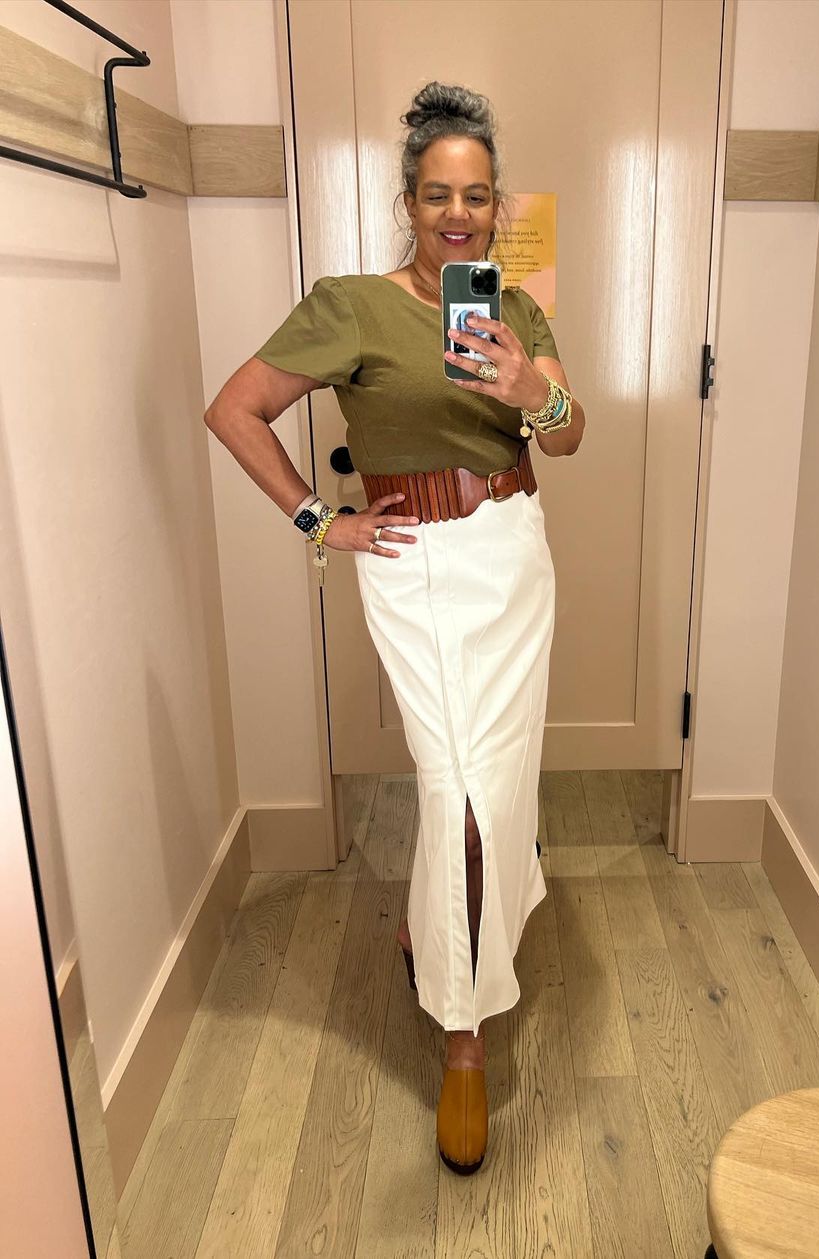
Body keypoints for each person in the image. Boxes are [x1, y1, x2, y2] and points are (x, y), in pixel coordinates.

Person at [203, 81, 584, 1175]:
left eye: (477, 196)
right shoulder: (350, 306)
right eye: (437, 196)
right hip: (413, 563)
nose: (458, 215)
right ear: (407, 202)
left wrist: (531, 388)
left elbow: (567, 436)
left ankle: (439, 928)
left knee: (493, 782)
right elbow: (234, 408)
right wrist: (322, 521)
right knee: (456, 785)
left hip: (512, 554)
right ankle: (464, 1034)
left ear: (497, 204)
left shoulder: (515, 310)